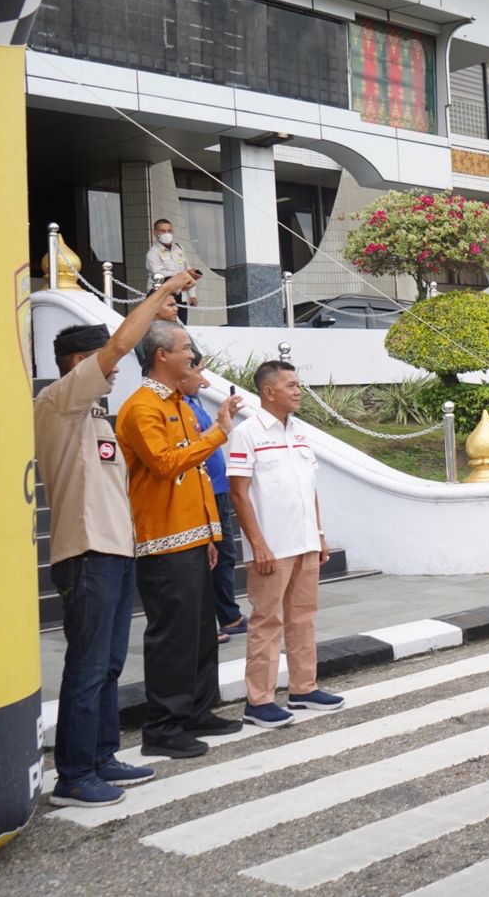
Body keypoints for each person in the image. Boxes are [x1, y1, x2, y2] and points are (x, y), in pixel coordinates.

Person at [34, 269, 200, 807]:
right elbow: (125, 340)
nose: (114, 371)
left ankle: (102, 756)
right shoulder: (60, 402)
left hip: (115, 552)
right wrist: (161, 293)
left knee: (107, 665)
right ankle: (74, 775)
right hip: (85, 554)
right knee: (86, 666)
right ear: (82, 365)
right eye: (104, 362)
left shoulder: (99, 419)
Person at [117, 320, 243, 758]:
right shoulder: (141, 409)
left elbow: (198, 477)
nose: (193, 356)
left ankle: (196, 711)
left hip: (193, 536)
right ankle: (164, 727)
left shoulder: (181, 405)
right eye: (186, 348)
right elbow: (167, 464)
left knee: (200, 633)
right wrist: (218, 433)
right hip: (163, 540)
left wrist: (211, 534)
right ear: (161, 356)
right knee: (173, 636)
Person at [228, 360, 344, 728]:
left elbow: (308, 489)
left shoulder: (299, 432)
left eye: (297, 384)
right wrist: (257, 544)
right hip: (272, 547)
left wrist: (319, 534)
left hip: (305, 541)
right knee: (266, 621)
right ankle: (258, 700)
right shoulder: (247, 434)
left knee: (303, 619)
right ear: (269, 391)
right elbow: (238, 494)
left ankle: (303, 688)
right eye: (291, 385)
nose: (297, 391)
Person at [178, 359, 247, 644]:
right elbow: (193, 447)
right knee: (213, 557)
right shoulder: (178, 407)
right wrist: (221, 423)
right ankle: (214, 621)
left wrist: (224, 417)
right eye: (197, 371)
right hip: (202, 491)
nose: (204, 380)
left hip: (216, 489)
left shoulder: (193, 402)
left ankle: (228, 615)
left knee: (225, 554)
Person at [145, 219, 196, 322]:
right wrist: (182, 275)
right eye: (163, 231)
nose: (167, 234)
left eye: (169, 230)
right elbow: (158, 273)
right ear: (155, 233)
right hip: (162, 295)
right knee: (165, 329)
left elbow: (188, 270)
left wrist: (192, 294)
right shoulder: (153, 253)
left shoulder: (179, 248)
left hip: (181, 294)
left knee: (182, 327)